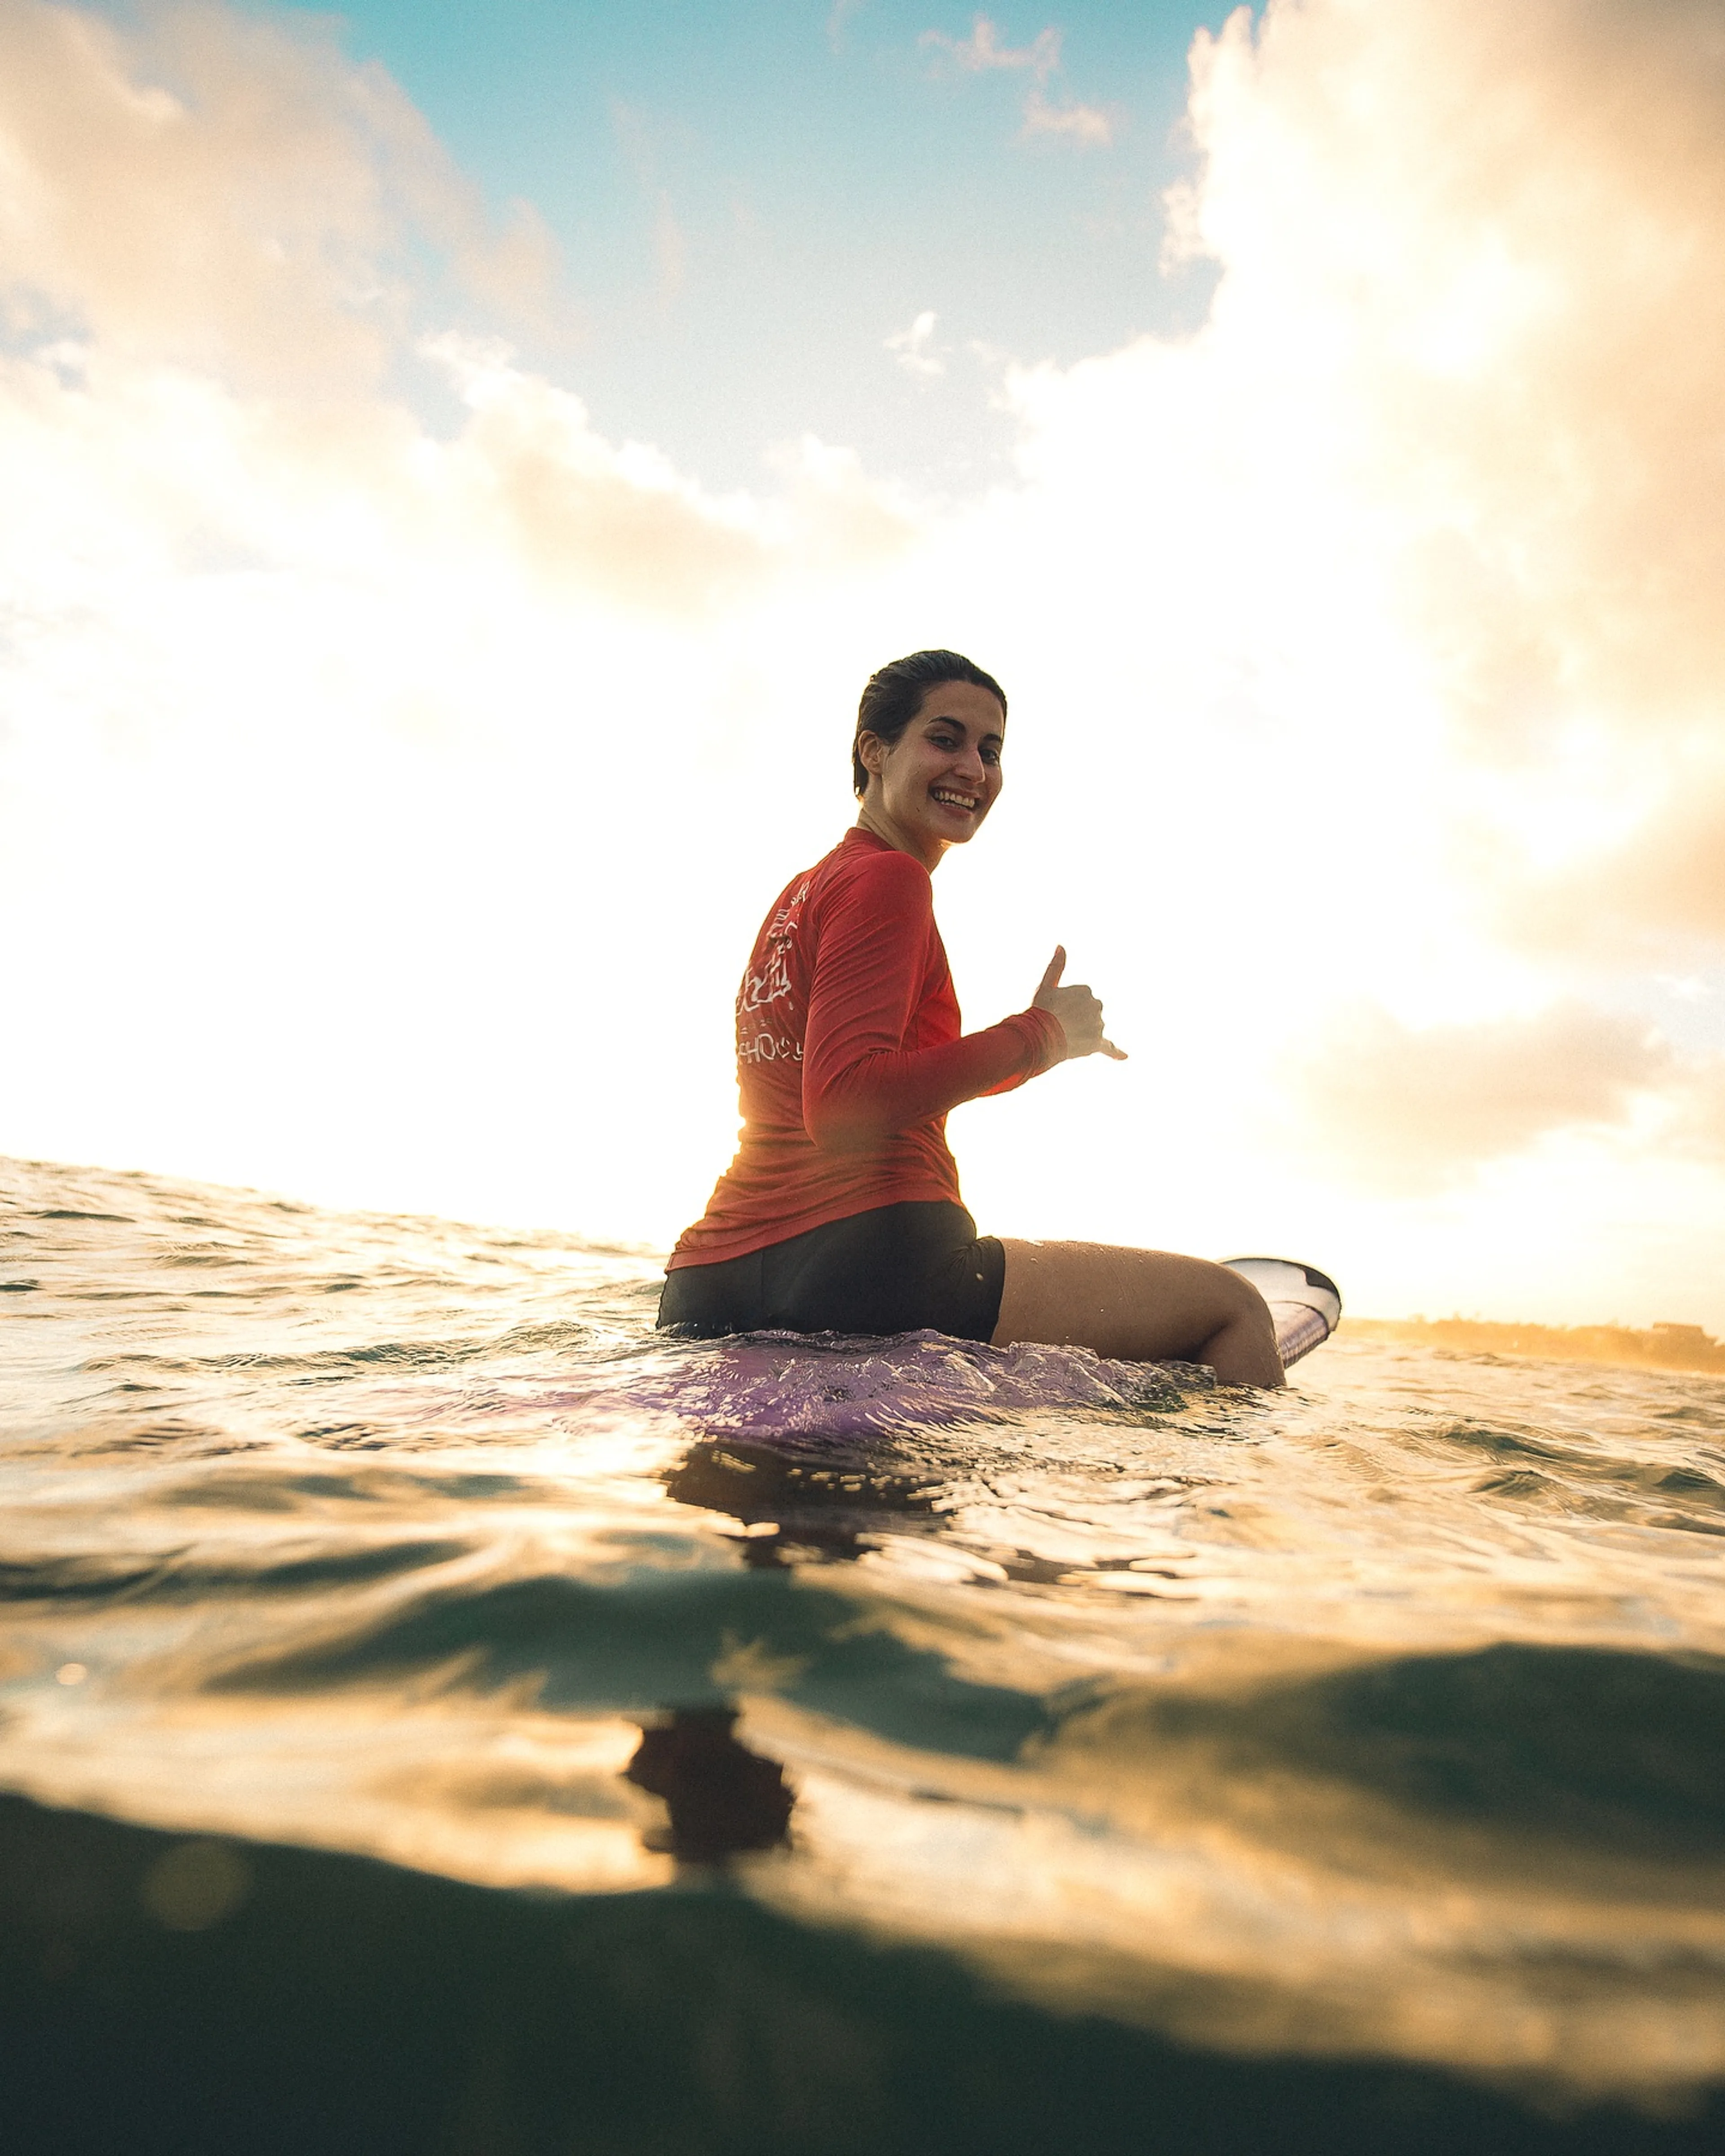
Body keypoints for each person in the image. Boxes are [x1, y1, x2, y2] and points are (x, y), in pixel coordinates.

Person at [658, 649, 1284, 1387]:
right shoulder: (890, 878)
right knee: (1235, 1308)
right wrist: (1039, 1033)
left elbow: (874, 1085)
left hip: (713, 1280)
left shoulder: (806, 892)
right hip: (872, 1270)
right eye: (945, 739)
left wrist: (1037, 1050)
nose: (974, 769)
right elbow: (846, 1104)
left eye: (991, 751)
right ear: (874, 752)